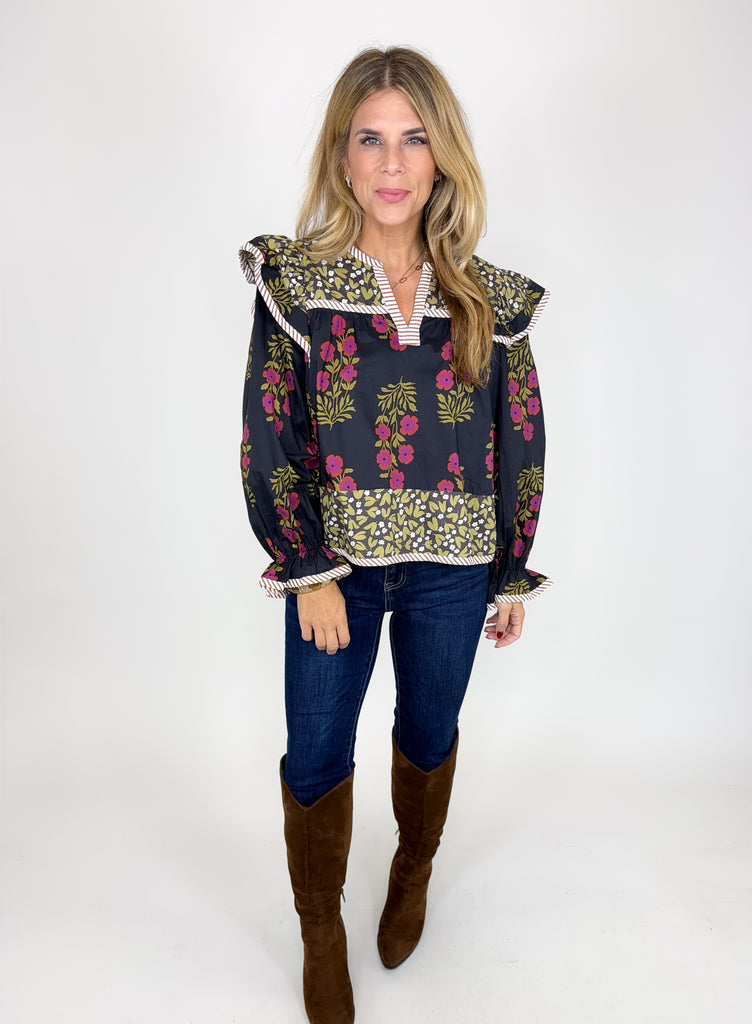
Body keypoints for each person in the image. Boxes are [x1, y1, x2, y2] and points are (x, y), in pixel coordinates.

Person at [239, 46, 550, 1024]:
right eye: (369, 139)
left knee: (427, 735)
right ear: (341, 155)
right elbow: (270, 430)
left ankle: (413, 870)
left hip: (454, 574)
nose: (391, 162)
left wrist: (508, 568)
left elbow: (519, 433)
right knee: (316, 752)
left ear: (441, 156)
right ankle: (320, 931)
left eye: (414, 139)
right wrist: (307, 569)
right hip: (338, 572)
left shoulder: (487, 298)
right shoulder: (297, 284)